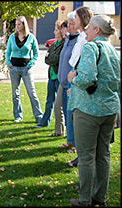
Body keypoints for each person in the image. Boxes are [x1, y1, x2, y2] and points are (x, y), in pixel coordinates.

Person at [68, 15, 120, 207]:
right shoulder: (114, 51)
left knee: (87, 156)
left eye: (88, 28)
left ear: (97, 30)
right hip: (109, 110)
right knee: (103, 154)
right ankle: (100, 198)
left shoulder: (91, 47)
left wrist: (73, 77)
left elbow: (87, 78)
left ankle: (84, 201)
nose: (86, 31)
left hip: (89, 110)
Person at [67, 6, 93, 165]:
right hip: (74, 74)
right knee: (74, 116)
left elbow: (83, 62)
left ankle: (81, 157)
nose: (72, 21)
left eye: (75, 18)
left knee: (79, 117)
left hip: (78, 76)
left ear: (82, 19)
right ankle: (79, 153)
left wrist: (75, 79)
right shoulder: (80, 37)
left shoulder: (87, 39)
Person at [6, 16, 43, 123]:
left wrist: (30, 64)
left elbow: (36, 54)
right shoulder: (12, 37)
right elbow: (8, 52)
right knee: (15, 93)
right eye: (16, 24)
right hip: (14, 68)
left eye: (19, 24)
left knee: (32, 92)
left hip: (26, 69)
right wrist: (9, 64)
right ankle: (18, 115)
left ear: (24, 25)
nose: (17, 27)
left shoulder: (31, 37)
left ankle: (39, 115)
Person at [35, 20, 65, 128]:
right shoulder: (53, 45)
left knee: (60, 103)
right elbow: (47, 59)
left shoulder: (63, 44)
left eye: (56, 30)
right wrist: (50, 58)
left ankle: (63, 126)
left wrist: (50, 57)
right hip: (51, 76)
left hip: (59, 77)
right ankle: (45, 122)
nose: (54, 32)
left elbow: (58, 59)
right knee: (49, 100)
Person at [56, 11, 79, 149]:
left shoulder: (79, 40)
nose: (68, 26)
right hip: (63, 83)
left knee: (72, 116)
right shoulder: (68, 38)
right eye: (68, 24)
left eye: (71, 24)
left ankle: (75, 144)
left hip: (72, 85)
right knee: (66, 112)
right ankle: (70, 141)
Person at [48, 20, 68, 137]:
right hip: (58, 77)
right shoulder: (57, 44)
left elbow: (57, 59)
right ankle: (59, 131)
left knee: (66, 108)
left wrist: (52, 58)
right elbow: (48, 58)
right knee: (56, 105)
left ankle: (70, 136)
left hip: (66, 80)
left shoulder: (67, 42)